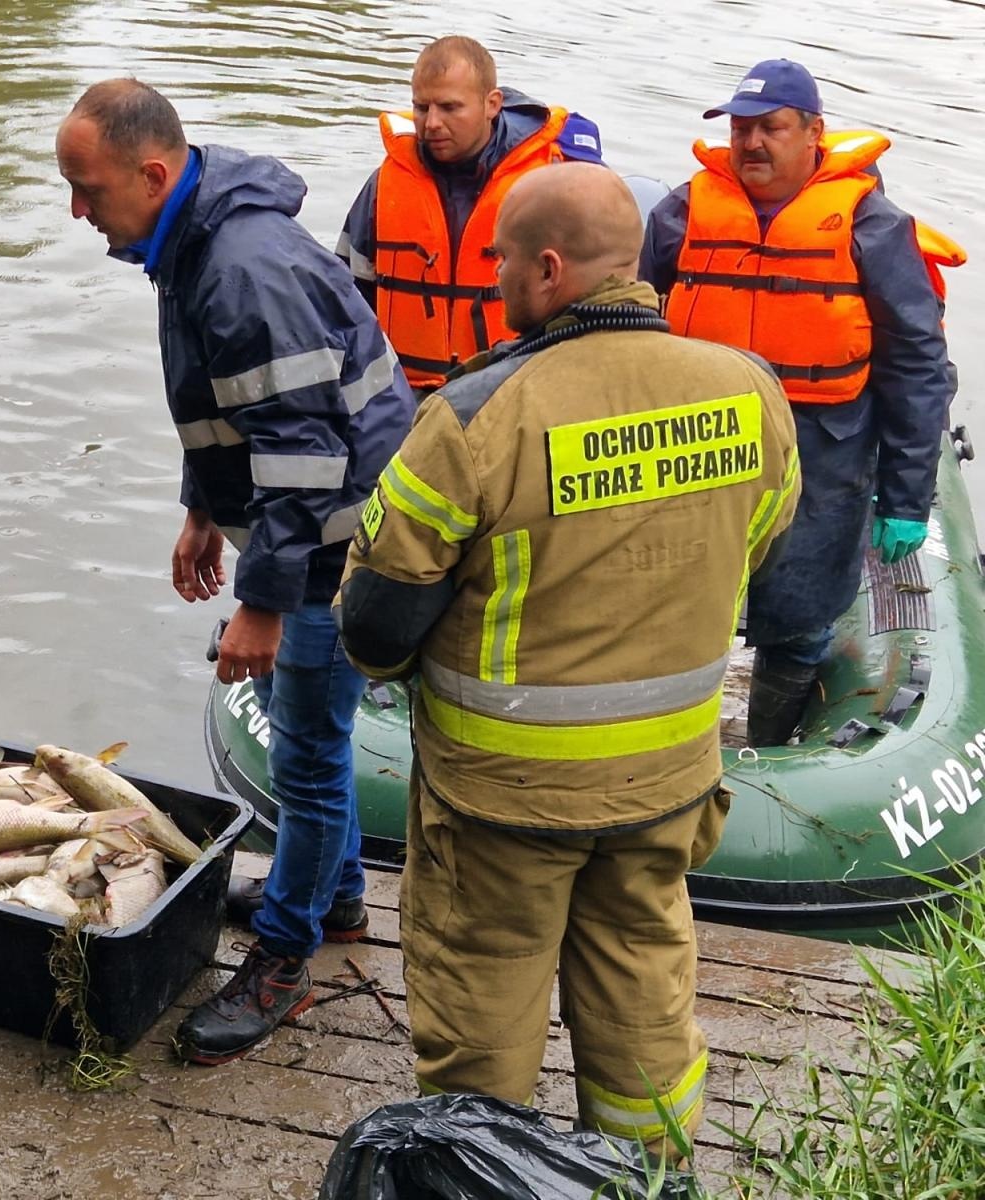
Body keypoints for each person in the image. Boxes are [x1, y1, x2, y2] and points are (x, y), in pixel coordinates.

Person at [337, 163, 799, 1149]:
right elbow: (753, 541)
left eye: (501, 258)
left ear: (546, 271)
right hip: (667, 785)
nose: (494, 275)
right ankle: (649, 1177)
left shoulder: (474, 418)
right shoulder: (748, 393)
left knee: (481, 1029)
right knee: (644, 1009)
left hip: (503, 802)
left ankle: (487, 1174)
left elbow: (374, 626)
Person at [55, 78, 415, 1065]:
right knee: (313, 743)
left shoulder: (238, 267)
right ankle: (333, 899)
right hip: (307, 522)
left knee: (303, 752)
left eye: (86, 189)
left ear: (154, 173)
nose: (77, 211)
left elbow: (300, 456)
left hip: (343, 540)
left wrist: (263, 605)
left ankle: (287, 958)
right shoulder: (194, 242)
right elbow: (224, 403)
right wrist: (202, 510)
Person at [640, 59, 953, 745]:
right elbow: (626, 315)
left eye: (770, 128)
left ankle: (769, 751)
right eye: (741, 129)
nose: (751, 143)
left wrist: (904, 498)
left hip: (823, 456)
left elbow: (917, 364)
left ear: (813, 132)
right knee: (678, 607)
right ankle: (670, 746)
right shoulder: (683, 214)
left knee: (800, 618)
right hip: (703, 447)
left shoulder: (872, 227)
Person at [337, 35, 603, 393]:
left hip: (518, 389)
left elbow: (598, 297)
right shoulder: (386, 183)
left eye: (450, 108)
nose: (431, 123)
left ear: (492, 104)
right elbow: (345, 296)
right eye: (421, 107)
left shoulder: (554, 180)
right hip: (403, 395)